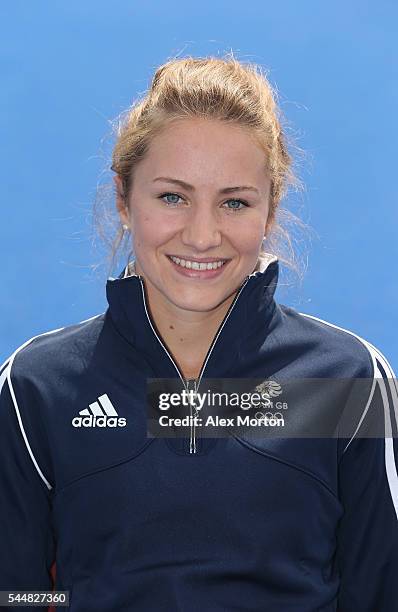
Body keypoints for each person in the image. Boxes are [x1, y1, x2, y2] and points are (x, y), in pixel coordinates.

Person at [0, 55, 397, 612]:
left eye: (234, 202)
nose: (203, 235)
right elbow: (14, 593)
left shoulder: (348, 382)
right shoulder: (36, 388)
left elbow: (379, 591)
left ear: (270, 209)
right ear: (123, 198)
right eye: (172, 197)